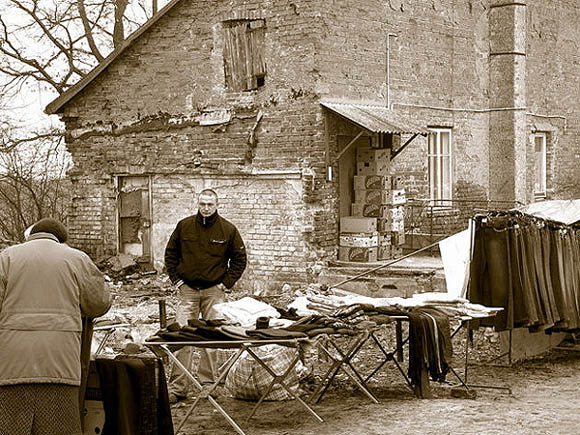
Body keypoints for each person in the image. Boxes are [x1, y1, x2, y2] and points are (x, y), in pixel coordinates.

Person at [0, 218, 112, 434]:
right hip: (61, 362)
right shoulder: (76, 258)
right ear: (61, 239)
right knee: (60, 426)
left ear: (31, 236)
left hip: (12, 364)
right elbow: (98, 303)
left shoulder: (6, 258)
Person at [164, 188, 247, 402]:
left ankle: (209, 385)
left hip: (214, 293)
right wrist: (178, 282)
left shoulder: (227, 229)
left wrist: (225, 285)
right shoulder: (184, 226)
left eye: (210, 204)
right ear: (198, 204)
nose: (206, 208)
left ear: (216, 205)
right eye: (202, 204)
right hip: (188, 291)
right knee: (182, 338)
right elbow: (170, 254)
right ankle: (177, 388)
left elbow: (239, 260)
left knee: (212, 340)